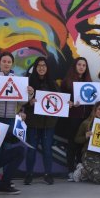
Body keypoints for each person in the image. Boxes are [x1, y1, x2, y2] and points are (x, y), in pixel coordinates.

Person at [0, 52, 34, 147]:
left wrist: (29, 94)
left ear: (12, 64)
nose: (6, 64)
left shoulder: (17, 80)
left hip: (11, 119)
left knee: (8, 149)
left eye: (9, 62)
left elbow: (22, 102)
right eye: (4, 61)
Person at [23, 57, 59, 185]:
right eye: (39, 65)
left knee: (47, 149)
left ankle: (48, 174)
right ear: (35, 67)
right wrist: (29, 102)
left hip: (48, 123)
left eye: (44, 65)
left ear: (47, 68)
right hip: (32, 122)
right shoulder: (28, 82)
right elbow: (21, 102)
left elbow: (59, 101)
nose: (41, 67)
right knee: (31, 149)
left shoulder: (53, 83)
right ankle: (29, 174)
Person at [60, 57, 93, 181]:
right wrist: (70, 103)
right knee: (72, 144)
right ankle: (70, 170)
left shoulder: (89, 82)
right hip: (72, 117)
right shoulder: (66, 82)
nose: (81, 67)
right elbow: (61, 101)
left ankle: (80, 170)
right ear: (75, 66)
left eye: (84, 65)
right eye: (79, 64)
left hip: (85, 119)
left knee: (82, 144)